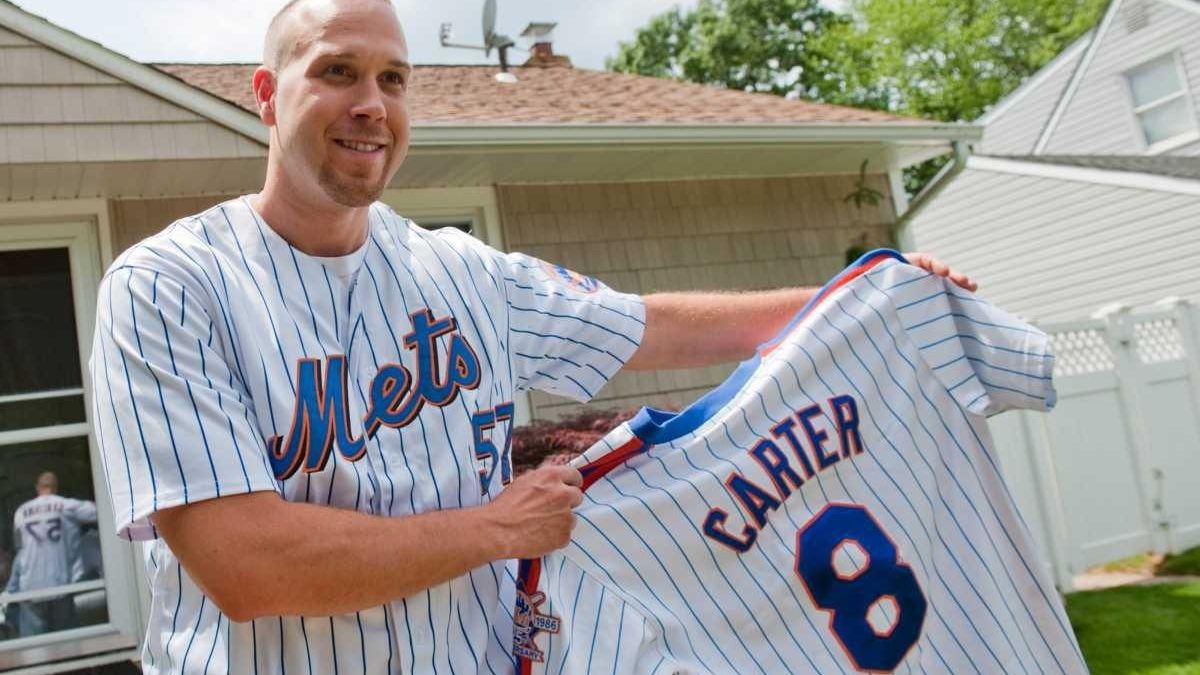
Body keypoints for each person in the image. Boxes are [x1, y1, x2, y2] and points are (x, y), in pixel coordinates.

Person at [88, 0, 976, 671]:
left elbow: (650, 326)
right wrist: (496, 528)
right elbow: (249, 566)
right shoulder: (170, 287)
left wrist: (871, 293)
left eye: (393, 80)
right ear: (268, 96)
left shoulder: (465, 272)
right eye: (337, 72)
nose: (372, 104)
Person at [2, 472, 98, 638]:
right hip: (60, 585)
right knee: (67, 643)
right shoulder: (67, 505)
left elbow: (20, 552)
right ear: (55, 487)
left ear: (37, 487)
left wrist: (11, 589)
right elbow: (99, 511)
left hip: (31, 588)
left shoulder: (20, 512)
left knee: (35, 648)